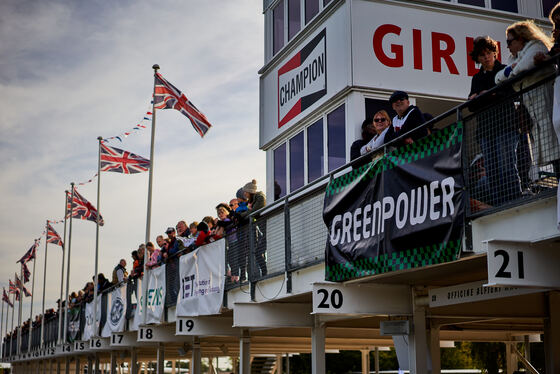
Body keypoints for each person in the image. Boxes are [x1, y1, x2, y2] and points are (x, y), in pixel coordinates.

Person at [495, 20, 560, 181]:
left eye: (510, 42)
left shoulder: (536, 47)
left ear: (521, 39)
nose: (508, 46)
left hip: (546, 102)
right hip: (533, 110)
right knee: (549, 151)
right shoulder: (512, 60)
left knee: (556, 147)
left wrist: (511, 72)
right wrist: (513, 69)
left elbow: (527, 64)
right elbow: (498, 78)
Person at [467, 35, 521, 206]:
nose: (487, 57)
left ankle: (514, 200)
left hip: (506, 125)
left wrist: (485, 95)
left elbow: (512, 94)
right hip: (485, 129)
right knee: (492, 170)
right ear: (477, 58)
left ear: (494, 53)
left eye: (489, 53)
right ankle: (499, 204)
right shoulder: (476, 78)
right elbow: (472, 105)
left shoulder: (504, 70)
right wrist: (486, 95)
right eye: (482, 55)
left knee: (507, 166)